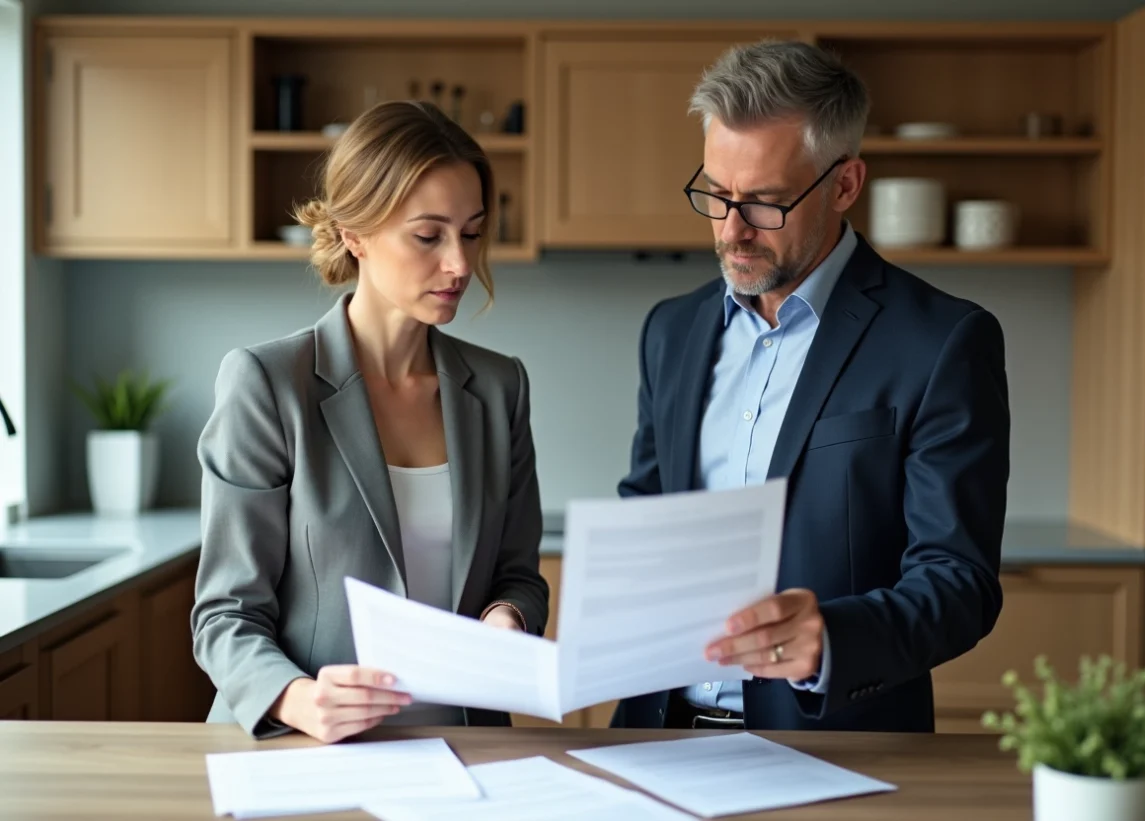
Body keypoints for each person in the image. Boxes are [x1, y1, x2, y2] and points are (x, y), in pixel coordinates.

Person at [609, 40, 1010, 733]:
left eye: (765, 203)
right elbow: (649, 509)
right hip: (655, 734)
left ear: (845, 184)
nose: (732, 229)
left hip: (834, 748)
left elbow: (959, 582)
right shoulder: (671, 330)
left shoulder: (944, 341)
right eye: (716, 194)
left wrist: (831, 639)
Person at [191, 101, 550, 743]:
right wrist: (298, 699)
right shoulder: (268, 384)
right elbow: (224, 615)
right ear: (354, 234)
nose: (460, 264)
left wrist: (507, 619)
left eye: (471, 233)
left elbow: (518, 575)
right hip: (305, 749)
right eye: (428, 236)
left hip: (467, 746)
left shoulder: (500, 388)